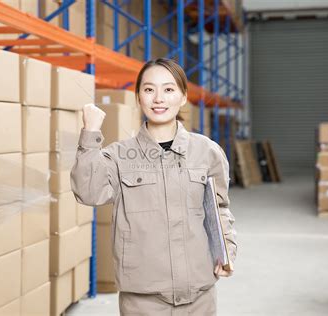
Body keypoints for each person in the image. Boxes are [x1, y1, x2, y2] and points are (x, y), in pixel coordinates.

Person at [70, 58, 237, 315]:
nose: (158, 98)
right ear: (138, 97)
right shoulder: (118, 155)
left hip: (199, 295)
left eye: (169, 90)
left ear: (183, 97)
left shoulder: (207, 151)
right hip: (143, 298)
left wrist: (226, 249)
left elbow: (220, 209)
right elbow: (88, 191)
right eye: (149, 90)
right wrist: (90, 133)